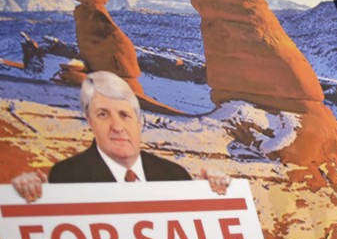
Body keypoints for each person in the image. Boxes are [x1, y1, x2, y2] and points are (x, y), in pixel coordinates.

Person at [12, 70, 230, 200]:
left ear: (139, 122)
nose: (117, 126)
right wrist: (27, 194)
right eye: (103, 114)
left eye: (125, 115)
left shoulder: (174, 174)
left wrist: (212, 194)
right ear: (90, 122)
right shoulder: (67, 176)